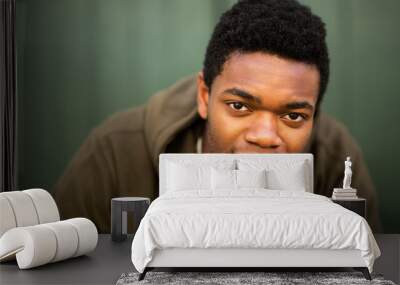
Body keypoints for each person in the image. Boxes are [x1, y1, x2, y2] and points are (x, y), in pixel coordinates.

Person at [54, 0, 382, 233]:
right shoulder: (114, 153)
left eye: (293, 115)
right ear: (204, 96)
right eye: (239, 106)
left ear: (315, 115)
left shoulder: (337, 157)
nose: (266, 136)